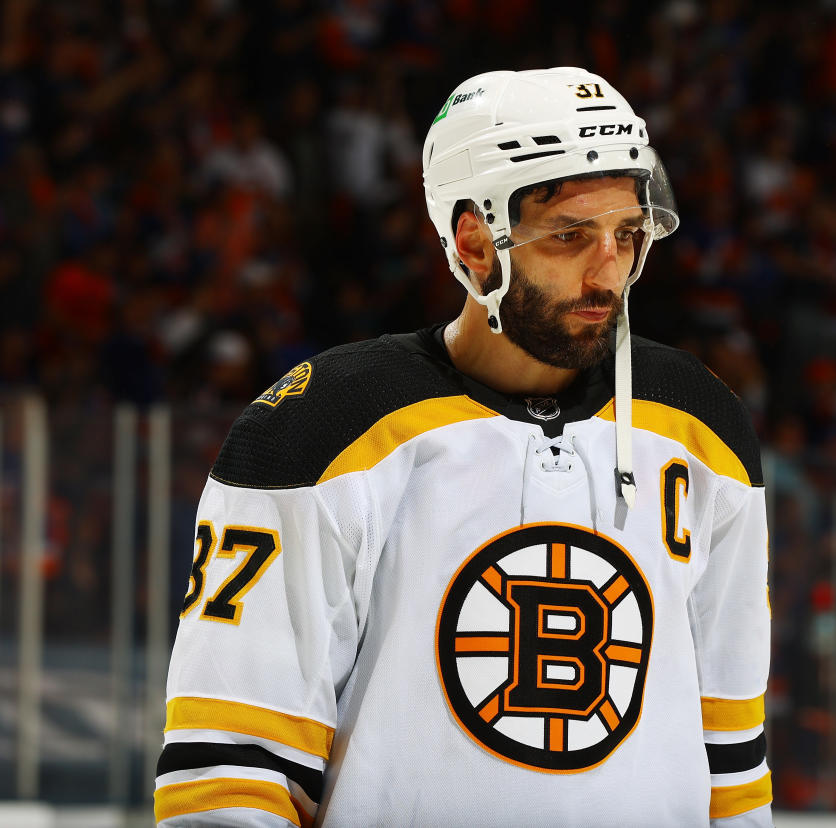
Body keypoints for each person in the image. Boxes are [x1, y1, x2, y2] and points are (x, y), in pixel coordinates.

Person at [154, 67, 772, 827]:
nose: (609, 271)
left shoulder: (702, 427)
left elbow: (733, 768)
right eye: (571, 236)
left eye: (628, 233)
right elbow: (229, 774)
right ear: (475, 241)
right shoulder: (320, 429)